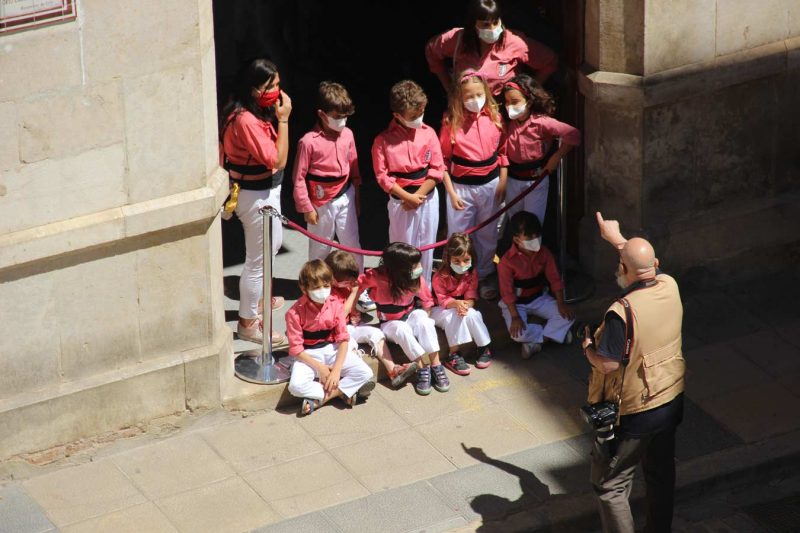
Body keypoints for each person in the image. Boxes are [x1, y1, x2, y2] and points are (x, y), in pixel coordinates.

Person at [583, 212, 686, 533]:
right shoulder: (670, 286)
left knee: (610, 485)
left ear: (624, 270)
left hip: (637, 412)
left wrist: (588, 347)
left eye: (620, 266)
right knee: (659, 474)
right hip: (671, 402)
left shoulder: (621, 313)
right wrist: (616, 238)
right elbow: (643, 262)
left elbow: (609, 364)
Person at [220, 58, 292, 345]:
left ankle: (260, 300)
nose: (277, 90)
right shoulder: (245, 120)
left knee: (270, 250)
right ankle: (248, 322)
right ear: (253, 90)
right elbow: (277, 158)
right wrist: (284, 120)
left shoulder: (243, 110)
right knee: (258, 261)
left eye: (277, 84)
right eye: (271, 86)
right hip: (256, 197)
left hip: (263, 191)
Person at [292, 81, 375, 313]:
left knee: (353, 244)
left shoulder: (348, 134)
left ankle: (359, 289)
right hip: (320, 203)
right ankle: (315, 290)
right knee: (319, 249)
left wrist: (356, 195)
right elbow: (299, 178)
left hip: (345, 194)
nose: (342, 121)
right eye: (336, 116)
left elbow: (354, 167)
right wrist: (306, 207)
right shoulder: (308, 142)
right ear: (322, 114)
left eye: (345, 116)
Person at [440, 70, 508, 300]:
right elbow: (442, 161)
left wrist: (503, 182)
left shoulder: (495, 118)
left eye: (479, 94)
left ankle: (486, 275)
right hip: (461, 187)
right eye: (469, 96)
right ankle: (458, 280)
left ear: (486, 93)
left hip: (490, 184)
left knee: (488, 233)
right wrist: (451, 193)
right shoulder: (451, 122)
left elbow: (503, 152)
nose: (474, 100)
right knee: (458, 235)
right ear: (459, 98)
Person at [371, 80, 444, 284]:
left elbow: (437, 168)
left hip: (427, 198)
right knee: (403, 247)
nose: (418, 119)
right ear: (397, 115)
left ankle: (425, 289)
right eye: (413, 116)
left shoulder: (428, 132)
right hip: (401, 201)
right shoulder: (383, 140)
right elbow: (382, 176)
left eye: (421, 113)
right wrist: (407, 197)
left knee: (427, 244)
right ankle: (402, 289)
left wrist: (418, 196)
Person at [357, 243, 449, 396]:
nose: (419, 267)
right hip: (389, 323)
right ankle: (422, 367)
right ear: (399, 268)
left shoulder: (414, 278)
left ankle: (436, 364)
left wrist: (425, 320)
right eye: (415, 264)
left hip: (410, 314)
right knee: (401, 328)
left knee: (424, 320)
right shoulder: (377, 276)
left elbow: (427, 301)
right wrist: (354, 309)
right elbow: (357, 286)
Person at [285, 260, 374, 415]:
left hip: (332, 350)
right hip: (308, 355)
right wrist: (321, 369)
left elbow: (343, 339)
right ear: (304, 288)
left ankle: (323, 399)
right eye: (316, 287)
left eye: (326, 286)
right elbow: (296, 349)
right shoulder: (294, 313)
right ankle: (344, 391)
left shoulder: (335, 305)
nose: (322, 291)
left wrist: (336, 371)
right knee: (295, 386)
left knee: (366, 373)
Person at [324, 250, 418, 388]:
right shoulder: (326, 291)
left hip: (350, 326)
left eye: (352, 280)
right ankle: (358, 377)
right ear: (332, 279)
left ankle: (393, 369)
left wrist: (355, 314)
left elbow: (351, 310)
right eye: (347, 282)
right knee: (350, 345)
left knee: (376, 333)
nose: (351, 284)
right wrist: (354, 292)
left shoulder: (347, 286)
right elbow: (340, 315)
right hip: (334, 332)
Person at [425, 0, 558, 95]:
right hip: (466, 109)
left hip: (501, 111)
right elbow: (431, 50)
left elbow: (549, 61)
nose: (492, 29)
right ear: (473, 25)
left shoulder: (514, 41)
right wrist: (449, 88)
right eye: (485, 25)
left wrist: (528, 92)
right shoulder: (456, 39)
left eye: (495, 23)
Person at [502, 73, 580, 226]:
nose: (510, 106)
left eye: (515, 102)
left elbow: (573, 135)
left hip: (536, 180)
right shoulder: (507, 123)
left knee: (533, 223)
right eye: (507, 102)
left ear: (529, 101)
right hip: (512, 180)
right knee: (515, 222)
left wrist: (556, 158)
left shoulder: (542, 122)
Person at [497, 211, 574, 358]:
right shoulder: (506, 262)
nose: (535, 239)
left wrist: (561, 304)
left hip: (539, 298)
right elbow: (507, 293)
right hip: (516, 304)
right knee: (517, 335)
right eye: (530, 237)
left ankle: (536, 344)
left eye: (537, 235)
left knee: (568, 316)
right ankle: (556, 335)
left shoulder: (544, 253)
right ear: (517, 239)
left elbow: (555, 280)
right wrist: (515, 317)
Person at [431, 233, 493, 374]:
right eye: (457, 261)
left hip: (460, 305)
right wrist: (457, 304)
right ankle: (454, 354)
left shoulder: (471, 273)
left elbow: (471, 295)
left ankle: (484, 347)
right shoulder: (440, 276)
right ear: (449, 259)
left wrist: (466, 306)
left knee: (473, 314)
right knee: (452, 315)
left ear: (472, 258)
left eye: (466, 260)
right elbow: (442, 300)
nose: (462, 265)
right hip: (439, 309)